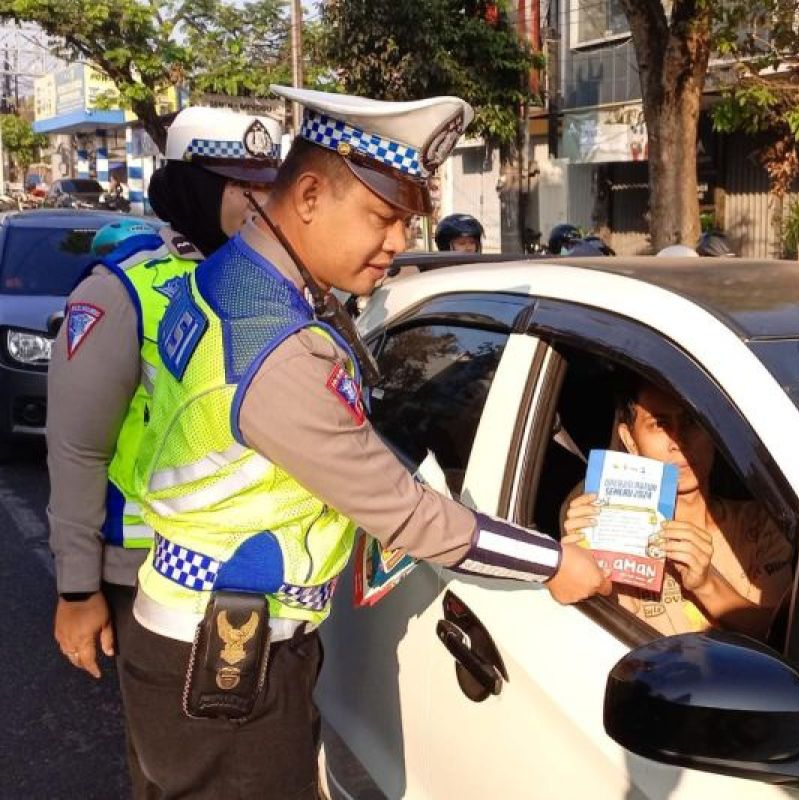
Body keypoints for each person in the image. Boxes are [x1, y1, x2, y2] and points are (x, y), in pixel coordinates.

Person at [120, 85, 610, 798]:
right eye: (382, 217)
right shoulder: (277, 346)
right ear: (310, 195)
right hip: (225, 662)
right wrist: (555, 560)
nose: (398, 242)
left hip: (190, 631)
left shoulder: (227, 281)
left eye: (409, 222)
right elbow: (404, 513)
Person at [46, 106, 282, 792]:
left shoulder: (282, 291)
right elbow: (77, 449)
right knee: (170, 768)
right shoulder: (126, 290)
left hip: (260, 569)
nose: (263, 204)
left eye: (271, 185)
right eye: (245, 187)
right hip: (148, 572)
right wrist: (77, 588)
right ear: (196, 189)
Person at [562, 377, 793, 639]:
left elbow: (785, 640)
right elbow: (605, 637)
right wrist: (577, 566)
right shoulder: (613, 535)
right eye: (660, 424)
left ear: (714, 433)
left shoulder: (761, 524)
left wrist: (707, 584)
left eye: (692, 422)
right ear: (630, 440)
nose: (679, 441)